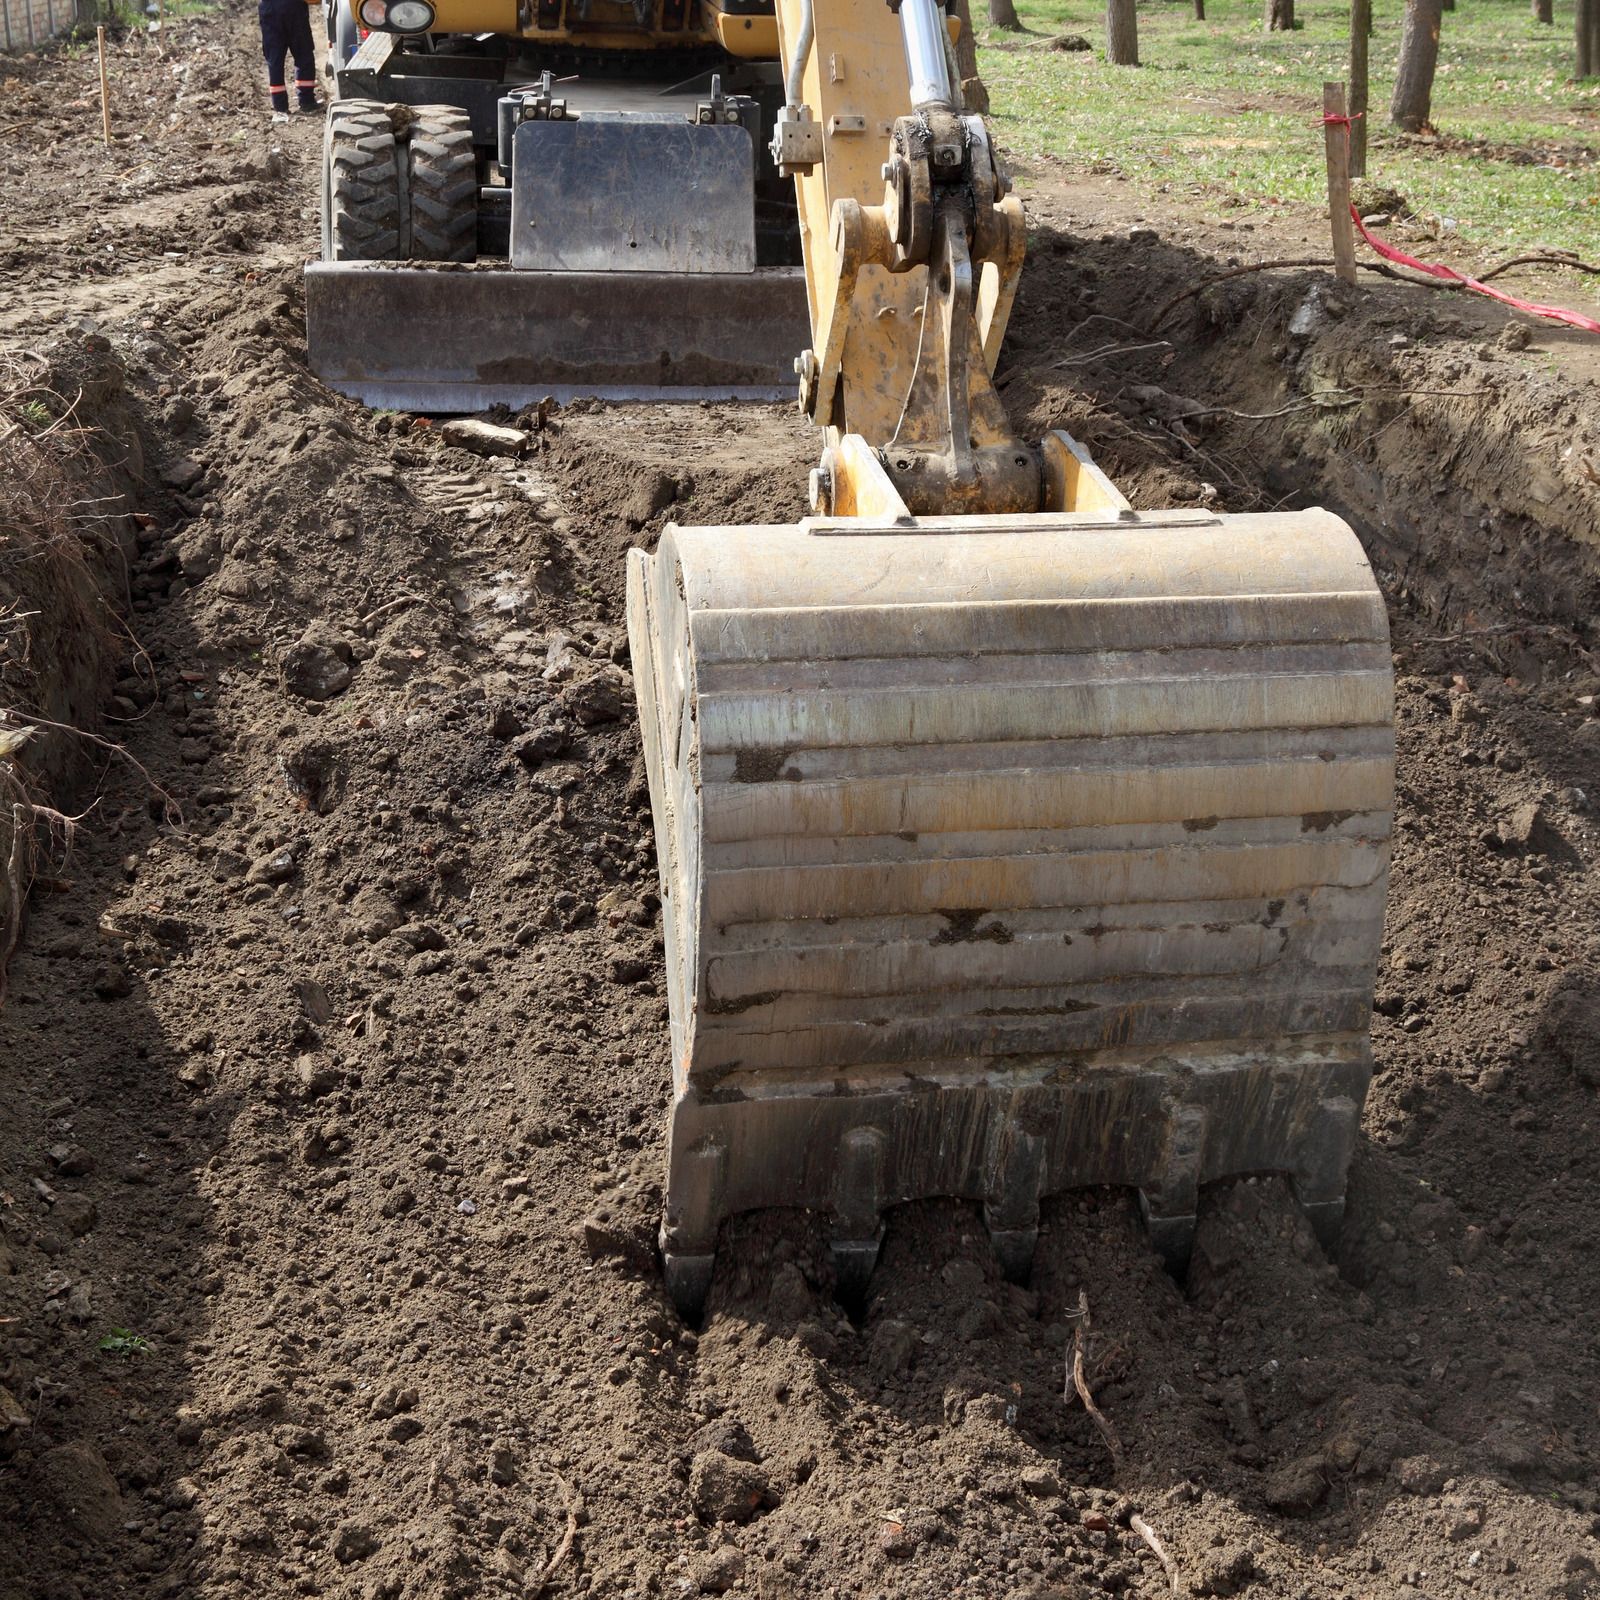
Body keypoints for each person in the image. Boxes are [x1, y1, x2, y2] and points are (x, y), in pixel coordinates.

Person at [259, 0, 320, 116]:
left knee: (275, 60)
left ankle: (280, 107)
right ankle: (307, 102)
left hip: (270, 10)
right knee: (303, 54)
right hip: (294, 8)